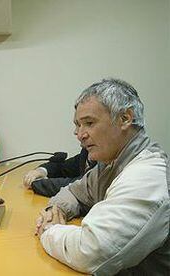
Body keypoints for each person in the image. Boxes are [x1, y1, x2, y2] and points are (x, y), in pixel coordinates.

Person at [35, 79, 169, 275]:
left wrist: (49, 229)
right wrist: (57, 209)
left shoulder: (148, 175)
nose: (80, 135)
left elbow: (91, 252)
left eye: (89, 123)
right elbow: (73, 191)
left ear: (125, 119)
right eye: (77, 126)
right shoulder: (109, 164)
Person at [23, 148, 96, 197]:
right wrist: (41, 171)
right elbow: (62, 167)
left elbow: (80, 185)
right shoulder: (85, 153)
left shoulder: (104, 162)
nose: (76, 133)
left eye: (89, 124)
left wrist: (37, 183)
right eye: (78, 126)